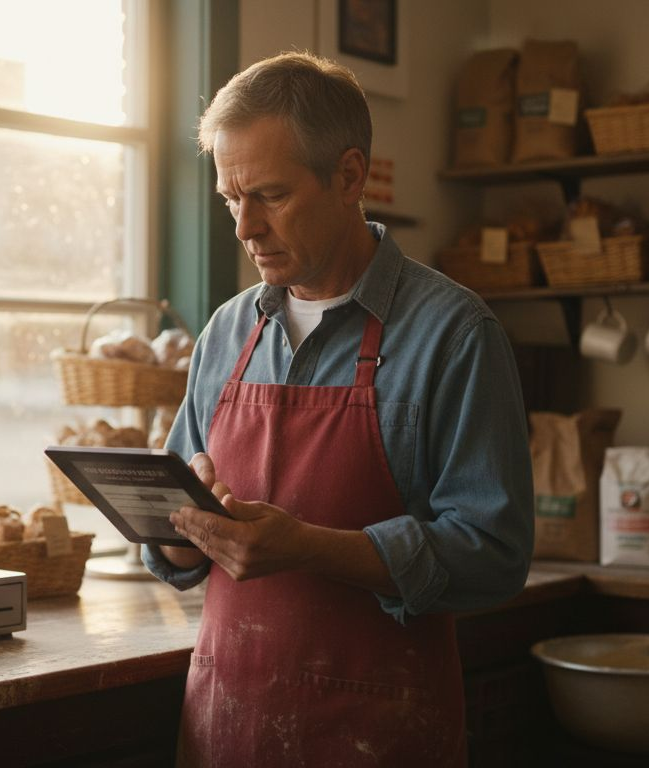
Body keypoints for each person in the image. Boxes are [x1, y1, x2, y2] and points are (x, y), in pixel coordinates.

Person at [141, 51, 534, 767]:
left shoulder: (453, 334)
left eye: (270, 195)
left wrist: (310, 547)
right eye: (231, 198)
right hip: (226, 729)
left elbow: (496, 557)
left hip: (378, 734)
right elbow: (173, 547)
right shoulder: (229, 331)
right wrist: (183, 527)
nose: (244, 227)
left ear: (349, 176)